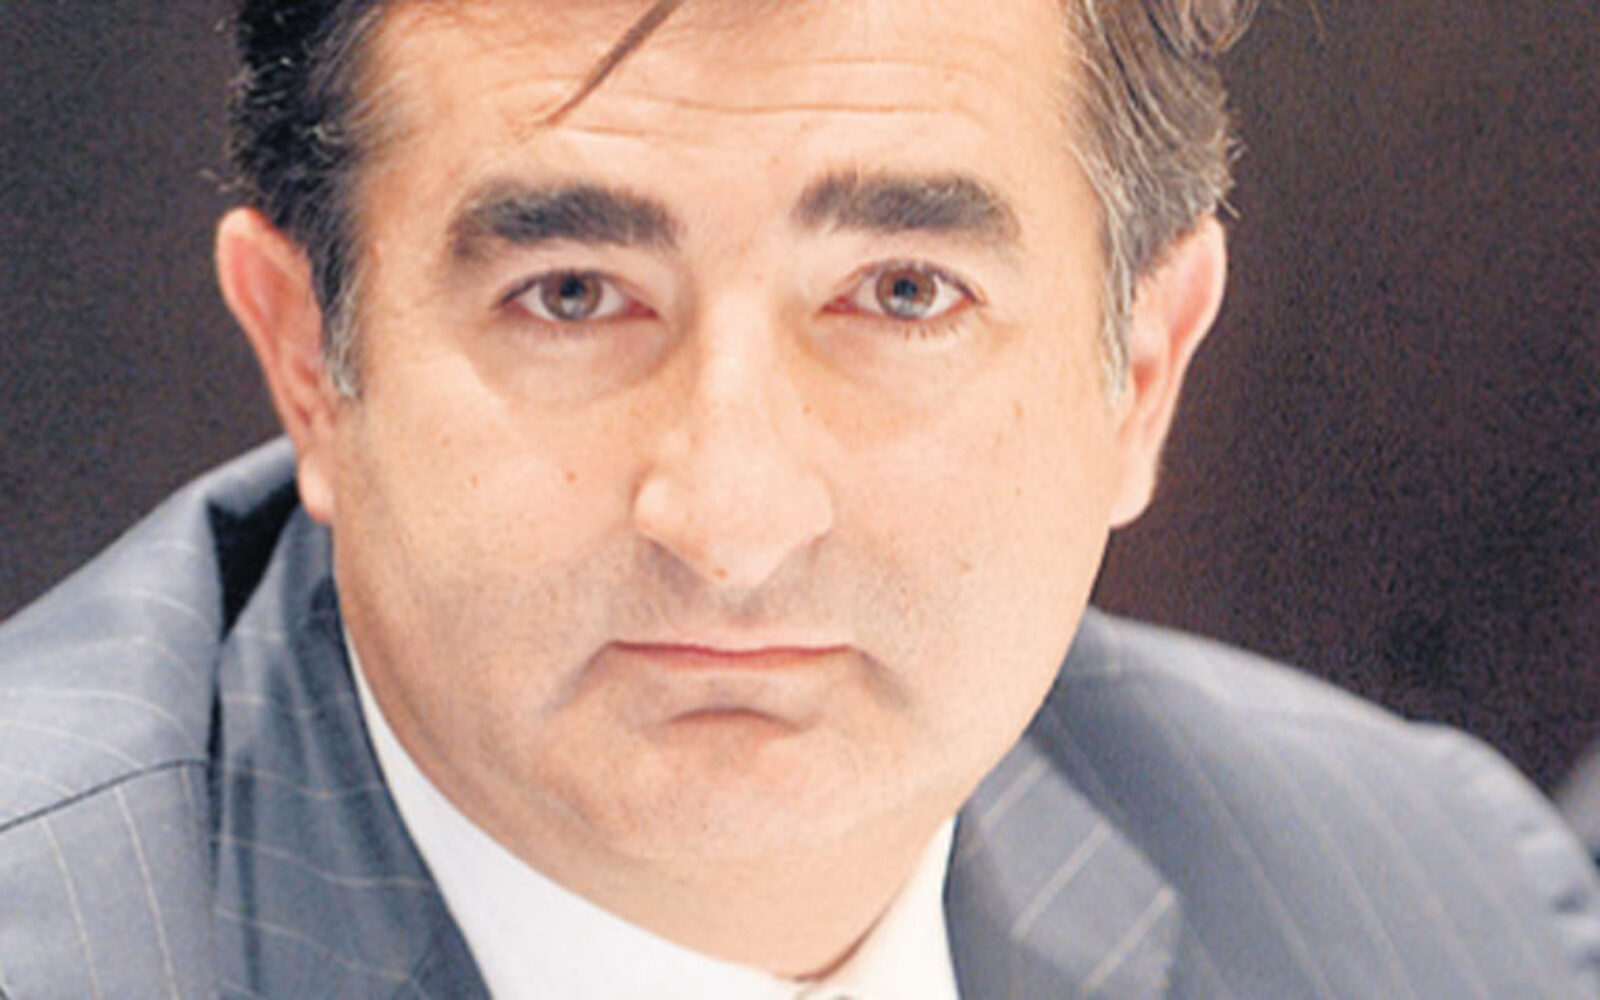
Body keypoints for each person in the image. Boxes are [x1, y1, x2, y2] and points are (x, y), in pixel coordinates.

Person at [1, 0, 1597, 996]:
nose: (732, 518)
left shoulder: (1446, 910)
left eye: (903, 292)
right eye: (571, 294)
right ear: (307, 364)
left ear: (1142, 372)